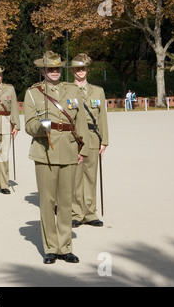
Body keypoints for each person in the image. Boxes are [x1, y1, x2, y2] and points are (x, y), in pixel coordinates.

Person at [24, 51, 89, 264]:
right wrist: (41, 128)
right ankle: (51, 247)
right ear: (43, 70)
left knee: (66, 202)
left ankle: (65, 246)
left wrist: (83, 149)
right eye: (50, 69)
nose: (54, 72)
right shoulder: (33, 93)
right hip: (45, 151)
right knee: (47, 201)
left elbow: (80, 122)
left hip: (70, 150)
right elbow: (29, 125)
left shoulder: (72, 90)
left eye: (57, 68)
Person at [70, 53, 109, 228]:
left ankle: (90, 212)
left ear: (87, 69)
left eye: (83, 68)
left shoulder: (98, 91)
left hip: (93, 137)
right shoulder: (67, 90)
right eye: (77, 68)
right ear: (72, 70)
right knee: (76, 176)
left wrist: (104, 141)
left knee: (91, 176)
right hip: (75, 137)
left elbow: (102, 118)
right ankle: (76, 213)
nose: (81, 71)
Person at [0, 65, 20, 195]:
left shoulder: (10, 89)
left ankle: (4, 183)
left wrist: (16, 125)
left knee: (4, 154)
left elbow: (14, 108)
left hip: (6, 123)